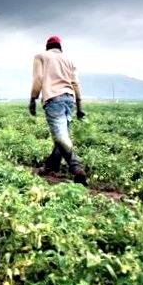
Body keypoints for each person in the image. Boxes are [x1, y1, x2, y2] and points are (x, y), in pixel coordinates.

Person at [29, 35, 88, 186]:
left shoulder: (41, 56)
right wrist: (80, 106)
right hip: (70, 99)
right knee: (61, 136)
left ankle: (76, 167)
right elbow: (75, 83)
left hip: (54, 98)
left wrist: (33, 99)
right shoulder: (68, 60)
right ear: (60, 47)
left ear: (47, 47)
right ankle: (51, 165)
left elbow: (38, 79)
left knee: (61, 137)